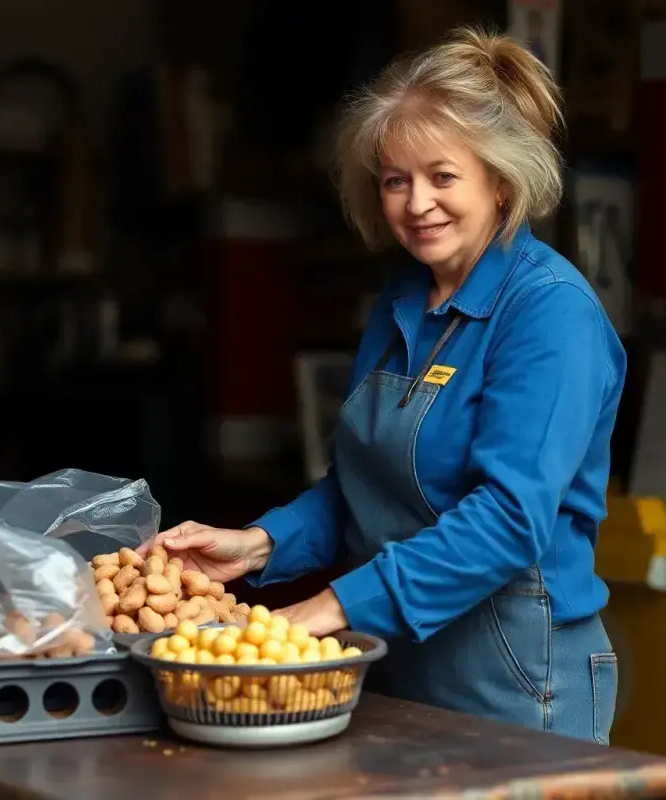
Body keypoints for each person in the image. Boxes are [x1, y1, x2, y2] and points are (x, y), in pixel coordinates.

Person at [140, 26, 626, 744]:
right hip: (395, 669)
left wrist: (328, 608)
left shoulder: (549, 312)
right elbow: (359, 491)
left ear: (500, 179)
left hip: (517, 684)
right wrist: (258, 545)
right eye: (395, 180)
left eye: (443, 176)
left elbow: (509, 520)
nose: (416, 203)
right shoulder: (406, 301)